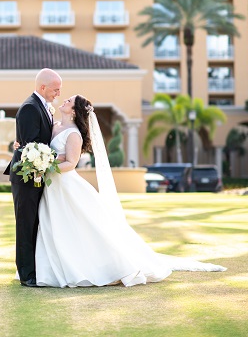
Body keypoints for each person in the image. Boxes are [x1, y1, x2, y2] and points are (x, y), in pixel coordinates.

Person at [34, 94, 226, 288]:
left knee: (78, 226)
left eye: (69, 101)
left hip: (66, 186)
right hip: (52, 187)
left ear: (74, 111)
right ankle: (51, 268)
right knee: (54, 225)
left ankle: (96, 267)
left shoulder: (73, 134)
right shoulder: (55, 125)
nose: (65, 100)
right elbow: (45, 148)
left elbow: (71, 163)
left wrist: (47, 164)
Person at [4, 68, 62, 288]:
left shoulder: (43, 107)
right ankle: (27, 275)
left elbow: (32, 141)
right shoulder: (30, 107)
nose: (58, 93)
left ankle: (34, 269)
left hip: (36, 175)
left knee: (36, 224)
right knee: (26, 225)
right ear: (43, 87)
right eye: (55, 89)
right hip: (26, 176)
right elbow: (31, 146)